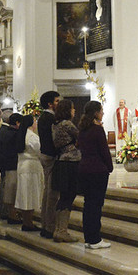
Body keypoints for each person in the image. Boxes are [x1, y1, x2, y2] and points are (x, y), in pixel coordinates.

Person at [78, 100, 114, 249]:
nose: (103, 113)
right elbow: (104, 151)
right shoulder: (97, 130)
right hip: (97, 170)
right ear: (96, 113)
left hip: (84, 169)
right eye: (101, 110)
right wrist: (109, 167)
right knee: (96, 205)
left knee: (88, 205)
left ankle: (89, 238)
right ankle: (95, 239)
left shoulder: (83, 129)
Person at [51, 99, 81, 243]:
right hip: (70, 162)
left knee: (64, 196)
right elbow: (80, 137)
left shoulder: (56, 124)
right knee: (68, 196)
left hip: (61, 161)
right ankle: (62, 231)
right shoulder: (67, 124)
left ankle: (59, 229)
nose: (74, 111)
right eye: (72, 108)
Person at [38, 90, 61, 239]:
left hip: (46, 154)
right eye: (57, 101)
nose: (59, 103)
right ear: (50, 104)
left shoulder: (44, 117)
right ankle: (49, 226)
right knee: (52, 193)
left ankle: (46, 224)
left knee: (48, 191)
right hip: (51, 156)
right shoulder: (49, 118)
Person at [15, 115, 42, 232]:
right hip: (31, 167)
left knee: (25, 194)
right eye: (35, 121)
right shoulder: (31, 136)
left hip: (22, 166)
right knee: (30, 195)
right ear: (31, 123)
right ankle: (28, 222)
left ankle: (27, 221)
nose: (36, 123)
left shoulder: (21, 134)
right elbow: (40, 150)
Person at [0, 113, 24, 224]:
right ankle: (11, 214)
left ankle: (5, 212)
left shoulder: (4, 132)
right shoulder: (14, 134)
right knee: (11, 191)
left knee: (6, 188)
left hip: (4, 163)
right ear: (17, 123)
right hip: (12, 164)